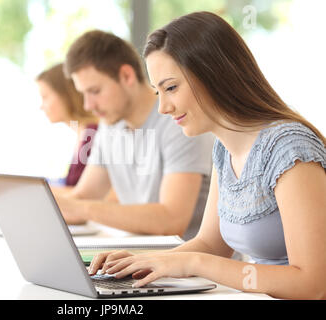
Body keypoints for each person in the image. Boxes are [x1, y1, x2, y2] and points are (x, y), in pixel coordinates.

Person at [88, 12, 326, 300]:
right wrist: (145, 261)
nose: (162, 108)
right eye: (157, 92)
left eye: (171, 88)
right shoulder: (224, 148)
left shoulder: (290, 149)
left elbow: (314, 284)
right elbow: (211, 245)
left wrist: (193, 262)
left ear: (214, 75)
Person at [55, 30, 214, 239]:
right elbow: (84, 196)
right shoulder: (110, 124)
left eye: (94, 91)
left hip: (189, 266)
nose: (88, 105)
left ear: (126, 76)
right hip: (143, 258)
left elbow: (172, 221)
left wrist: (83, 208)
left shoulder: (179, 120)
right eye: (83, 93)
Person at [36, 63, 98, 189]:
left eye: (45, 97)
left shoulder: (92, 133)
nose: (41, 106)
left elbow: (84, 194)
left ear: (65, 96)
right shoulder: (83, 131)